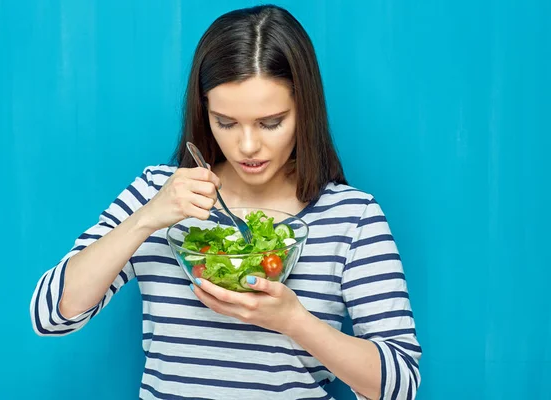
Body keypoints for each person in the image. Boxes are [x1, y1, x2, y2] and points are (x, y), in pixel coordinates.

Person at [30, 4, 421, 399]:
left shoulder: (351, 217)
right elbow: (51, 315)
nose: (247, 146)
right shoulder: (158, 192)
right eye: (226, 122)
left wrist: (293, 321)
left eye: (271, 122)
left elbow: (399, 386)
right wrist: (146, 219)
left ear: (305, 110)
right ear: (204, 111)